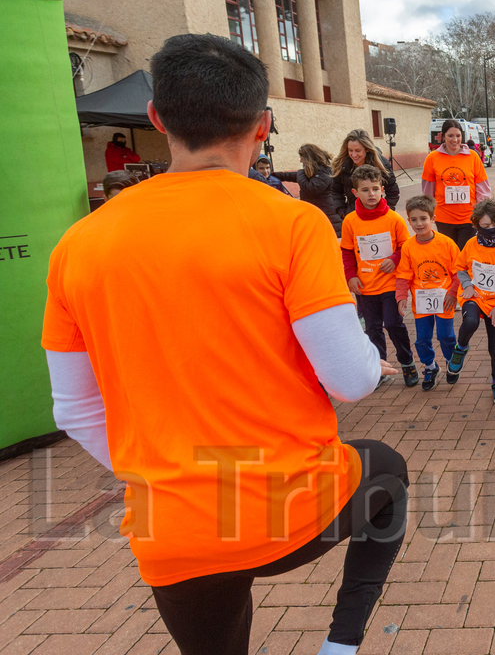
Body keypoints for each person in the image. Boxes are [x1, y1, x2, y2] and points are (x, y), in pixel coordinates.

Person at [43, 33, 408, 655]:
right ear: (263, 126)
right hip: (293, 511)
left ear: (157, 119)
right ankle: (342, 644)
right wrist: (373, 354)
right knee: (388, 473)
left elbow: (73, 409)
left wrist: (168, 476)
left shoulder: (79, 243)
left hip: (174, 528)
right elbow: (352, 379)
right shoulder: (291, 223)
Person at [341, 164, 418, 389]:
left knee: (393, 324)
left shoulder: (393, 219)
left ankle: (407, 362)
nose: (371, 194)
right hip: (364, 285)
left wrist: (394, 258)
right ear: (355, 193)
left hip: (390, 283)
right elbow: (346, 251)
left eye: (375, 188)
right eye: (365, 190)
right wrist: (350, 276)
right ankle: (378, 368)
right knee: (372, 328)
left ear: (382, 189)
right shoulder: (350, 221)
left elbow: (406, 245)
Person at [449, 198, 495, 404]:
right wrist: (468, 286)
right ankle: (460, 348)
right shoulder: (472, 244)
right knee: (471, 322)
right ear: (476, 225)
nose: (490, 229)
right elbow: (461, 267)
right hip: (473, 296)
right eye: (484, 226)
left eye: (494, 225)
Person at [395, 195, 460, 390]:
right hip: (421, 303)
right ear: (409, 221)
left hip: (444, 301)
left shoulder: (447, 244)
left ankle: (451, 363)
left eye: (423, 218)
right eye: (414, 219)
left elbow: (459, 272)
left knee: (445, 336)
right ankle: (431, 366)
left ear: (433, 219)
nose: (419, 223)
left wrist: (453, 293)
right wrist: (401, 297)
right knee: (422, 339)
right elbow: (404, 275)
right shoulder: (408, 246)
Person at [421, 119, 492, 248]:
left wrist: (483, 212)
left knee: (465, 254)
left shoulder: (473, 157)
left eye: (458, 136)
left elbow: (483, 188)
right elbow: (427, 191)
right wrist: (427, 213)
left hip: (469, 216)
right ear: (443, 137)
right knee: (449, 254)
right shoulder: (432, 158)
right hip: (443, 217)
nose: (455, 140)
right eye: (450, 136)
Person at [275, 144, 344, 234]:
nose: (300, 161)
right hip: (318, 217)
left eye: (302, 158)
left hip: (327, 219)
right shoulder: (314, 173)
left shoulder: (324, 172)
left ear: (308, 159)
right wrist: (271, 175)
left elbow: (311, 188)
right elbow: (289, 176)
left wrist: (300, 173)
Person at [334, 129, 400, 214]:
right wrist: (341, 211)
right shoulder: (342, 166)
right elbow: (335, 191)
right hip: (353, 214)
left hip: (377, 214)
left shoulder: (381, 164)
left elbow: (392, 190)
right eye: (350, 150)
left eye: (358, 151)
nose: (354, 155)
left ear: (367, 149)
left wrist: (386, 211)